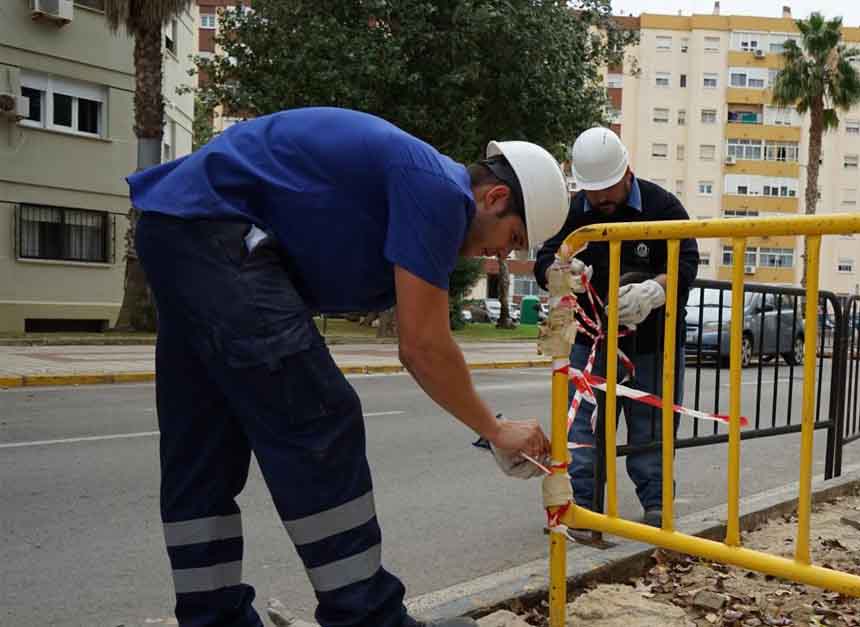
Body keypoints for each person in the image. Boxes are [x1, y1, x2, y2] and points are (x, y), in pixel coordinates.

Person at [126, 107, 566, 627]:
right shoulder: (440, 192)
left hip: (177, 229)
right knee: (320, 419)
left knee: (203, 445)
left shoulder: (415, 182)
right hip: (216, 234)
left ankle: (212, 618)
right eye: (511, 238)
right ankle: (367, 618)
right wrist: (494, 429)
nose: (496, 256)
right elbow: (423, 345)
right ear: (494, 197)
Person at [534, 127, 699, 529]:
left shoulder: (664, 206)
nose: (602, 200)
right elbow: (543, 259)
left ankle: (657, 504)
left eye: (609, 189)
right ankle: (582, 506)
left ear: (627, 172)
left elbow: (687, 263)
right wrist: (560, 272)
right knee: (582, 429)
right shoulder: (572, 212)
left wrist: (654, 292)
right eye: (594, 192)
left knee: (651, 430)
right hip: (588, 342)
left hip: (652, 343)